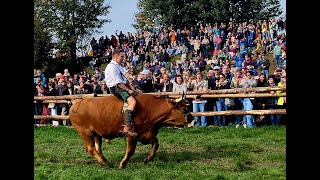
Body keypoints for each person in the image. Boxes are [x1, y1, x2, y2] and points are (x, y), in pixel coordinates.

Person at [105, 49, 137, 137]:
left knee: (139, 94)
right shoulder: (111, 67)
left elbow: (125, 80)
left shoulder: (119, 66)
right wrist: (128, 90)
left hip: (122, 86)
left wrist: (132, 88)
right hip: (116, 88)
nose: (123, 58)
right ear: (116, 57)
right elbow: (118, 83)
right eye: (122, 56)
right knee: (132, 102)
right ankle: (127, 128)